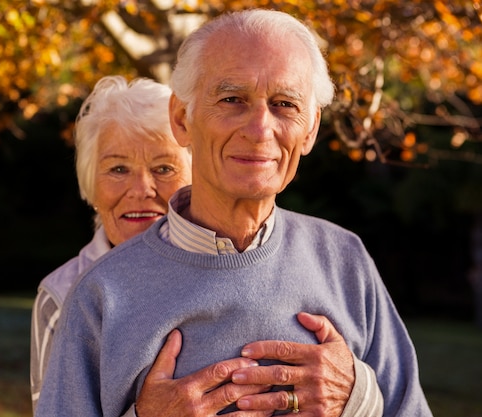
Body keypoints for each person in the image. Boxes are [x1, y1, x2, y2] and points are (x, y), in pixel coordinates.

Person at [36, 9, 433, 417]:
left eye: (284, 104)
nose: (260, 128)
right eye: (232, 100)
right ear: (181, 119)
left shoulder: (345, 261)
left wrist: (358, 397)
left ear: (311, 128)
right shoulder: (100, 294)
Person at [30, 75, 192, 410]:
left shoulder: (230, 265)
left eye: (163, 168)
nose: (141, 189)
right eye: (118, 169)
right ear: (90, 183)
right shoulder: (63, 295)